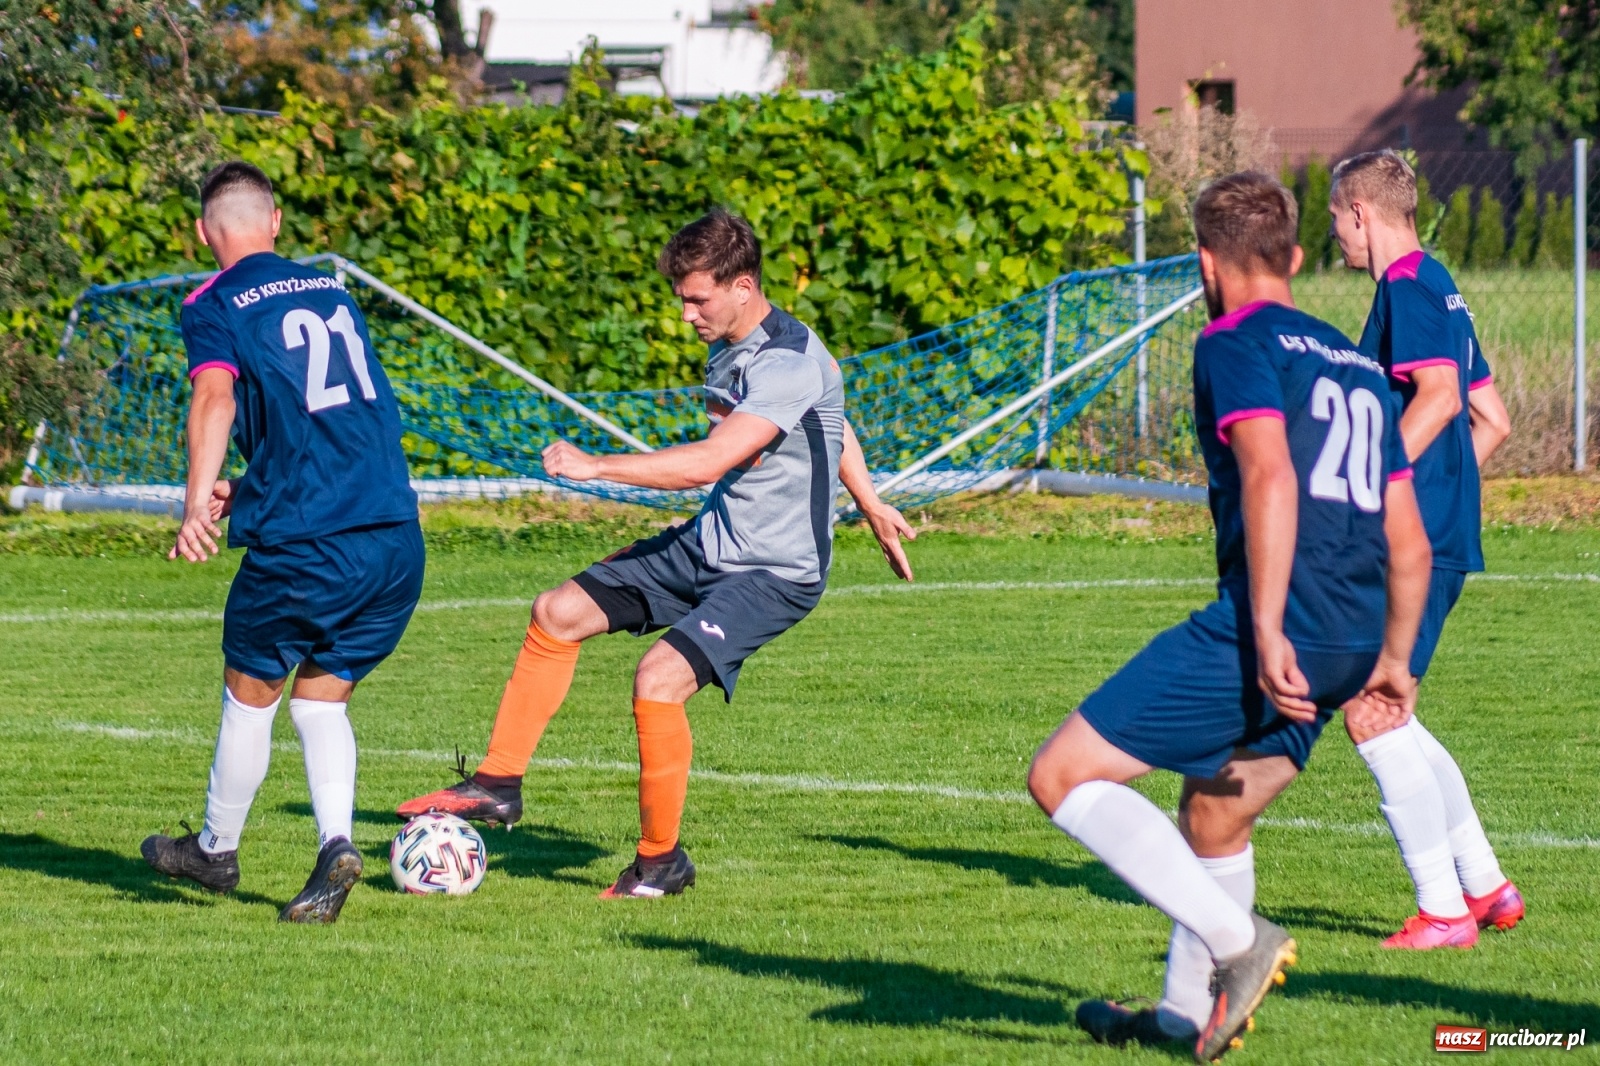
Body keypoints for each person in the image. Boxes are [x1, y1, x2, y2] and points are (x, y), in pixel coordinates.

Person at [396, 208, 915, 899]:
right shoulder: (733, 344)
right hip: (710, 543)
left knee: (658, 679)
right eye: (682, 299)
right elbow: (833, 418)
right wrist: (872, 503)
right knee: (557, 611)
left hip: (775, 573)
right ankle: (497, 783)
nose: (686, 315)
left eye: (697, 299)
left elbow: (711, 461)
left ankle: (661, 863)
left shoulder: (787, 360)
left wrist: (596, 466)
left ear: (743, 287)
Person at [1032, 172, 1434, 1061]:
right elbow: (1408, 538)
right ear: (1295, 256)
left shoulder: (1232, 340)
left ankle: (1239, 941)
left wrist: (1267, 628)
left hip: (1278, 628)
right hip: (1352, 639)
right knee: (1215, 815)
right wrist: (1394, 662)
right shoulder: (1358, 365)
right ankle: (1184, 1018)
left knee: (1061, 776)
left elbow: (1269, 474)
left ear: (1207, 264)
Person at [141, 161, 424, 924]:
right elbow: (327, 419)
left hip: (309, 544)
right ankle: (336, 845)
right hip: (394, 536)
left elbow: (215, 397)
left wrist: (197, 500)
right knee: (321, 703)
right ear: (274, 222)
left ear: (204, 233)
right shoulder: (332, 290)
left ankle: (215, 849)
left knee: (250, 693)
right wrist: (252, 487)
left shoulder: (213, 301)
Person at [1328, 149, 1522, 949]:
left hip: (1416, 540)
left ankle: (1444, 910)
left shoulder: (1406, 286)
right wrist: (1442, 495)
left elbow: (1440, 400)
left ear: (1361, 214)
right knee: (1391, 707)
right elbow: (1494, 420)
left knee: (1370, 710)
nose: (1335, 233)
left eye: (1336, 218)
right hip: (1438, 533)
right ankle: (1485, 886)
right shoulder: (1439, 283)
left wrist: (1376, 488)